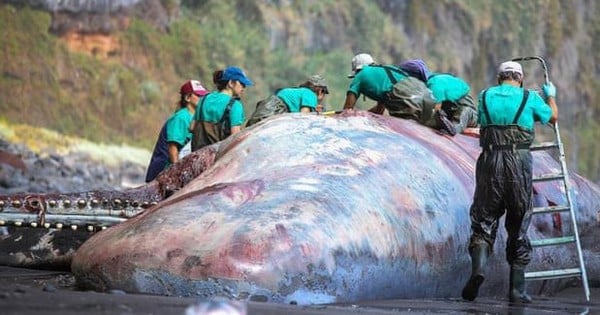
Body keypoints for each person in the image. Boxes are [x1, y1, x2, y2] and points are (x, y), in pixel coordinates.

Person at [461, 60, 558, 304]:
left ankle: (479, 270)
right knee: (518, 221)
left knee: (483, 219)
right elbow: (553, 117)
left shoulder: (484, 97)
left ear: (499, 78)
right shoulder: (529, 97)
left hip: (490, 161)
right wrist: (550, 96)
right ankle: (517, 290)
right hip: (519, 162)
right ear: (520, 79)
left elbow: (481, 122)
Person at [342, 53, 442, 133]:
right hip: (420, 88)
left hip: (402, 94)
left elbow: (347, 109)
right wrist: (365, 113)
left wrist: (349, 116)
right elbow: (379, 110)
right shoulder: (386, 70)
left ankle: (422, 118)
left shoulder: (361, 75)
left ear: (358, 69)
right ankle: (436, 117)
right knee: (424, 116)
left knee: (403, 118)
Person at [145, 80, 209, 182]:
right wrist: (177, 174)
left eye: (203, 96)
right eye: (198, 95)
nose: (202, 99)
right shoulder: (181, 117)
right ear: (188, 98)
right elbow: (173, 148)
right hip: (163, 172)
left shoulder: (195, 118)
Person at [399, 59, 478, 136]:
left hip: (469, 114)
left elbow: (435, 108)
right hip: (449, 113)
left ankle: (453, 128)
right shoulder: (429, 85)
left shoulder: (435, 84)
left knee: (463, 113)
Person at [190, 66, 253, 151]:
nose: (244, 87)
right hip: (217, 159)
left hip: (197, 156)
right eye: (242, 84)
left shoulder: (204, 99)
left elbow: (192, 127)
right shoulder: (235, 105)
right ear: (231, 83)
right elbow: (235, 139)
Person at [246, 74, 329, 126]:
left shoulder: (299, 92)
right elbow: (304, 117)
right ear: (320, 90)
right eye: (324, 93)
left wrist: (314, 110)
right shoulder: (310, 94)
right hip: (274, 109)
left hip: (267, 106)